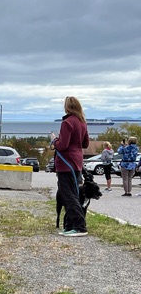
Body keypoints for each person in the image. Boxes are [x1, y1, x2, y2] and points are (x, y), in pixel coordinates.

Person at [50, 95, 90, 235]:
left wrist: (54, 141)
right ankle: (69, 225)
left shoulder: (67, 123)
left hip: (66, 163)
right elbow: (85, 144)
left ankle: (79, 226)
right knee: (73, 194)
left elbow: (63, 145)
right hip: (77, 162)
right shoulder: (82, 122)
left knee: (68, 195)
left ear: (67, 107)